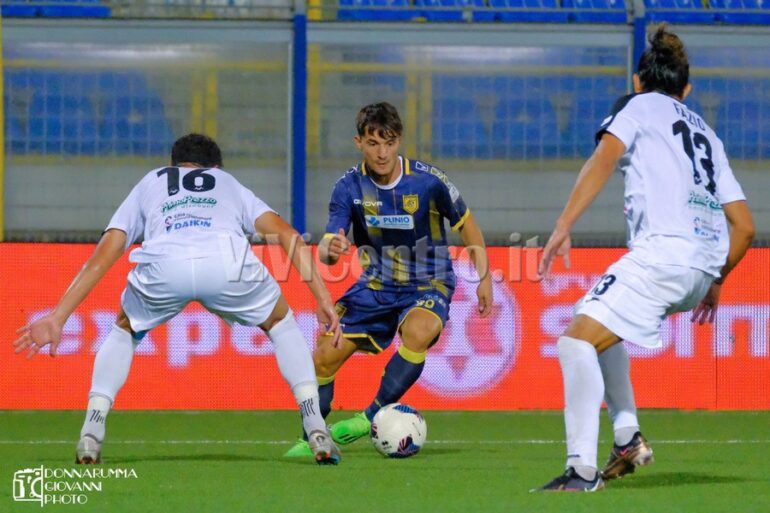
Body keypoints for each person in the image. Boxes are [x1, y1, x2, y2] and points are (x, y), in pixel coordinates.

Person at [13, 133, 344, 465]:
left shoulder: (151, 182)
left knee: (125, 329)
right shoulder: (227, 182)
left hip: (164, 265)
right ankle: (314, 424)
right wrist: (323, 298)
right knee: (280, 321)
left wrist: (59, 316)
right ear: (215, 167)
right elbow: (286, 234)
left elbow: (109, 249)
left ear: (173, 165)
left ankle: (91, 431)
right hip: (226, 264)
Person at [534, 25, 755, 492]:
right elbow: (746, 227)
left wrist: (563, 224)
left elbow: (603, 158)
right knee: (596, 325)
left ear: (638, 81)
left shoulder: (637, 107)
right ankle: (627, 436)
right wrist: (715, 281)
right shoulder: (709, 136)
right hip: (701, 268)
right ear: (687, 90)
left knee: (575, 343)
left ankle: (581, 472)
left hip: (661, 256)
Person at [285, 102, 493, 457]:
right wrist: (330, 249)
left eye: (390, 143)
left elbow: (467, 224)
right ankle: (313, 437)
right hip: (376, 285)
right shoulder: (348, 187)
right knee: (322, 356)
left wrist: (484, 276)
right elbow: (327, 246)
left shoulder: (428, 181)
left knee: (419, 331)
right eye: (373, 143)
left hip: (429, 281)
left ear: (399, 141)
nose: (382, 153)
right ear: (359, 142)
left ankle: (367, 420)